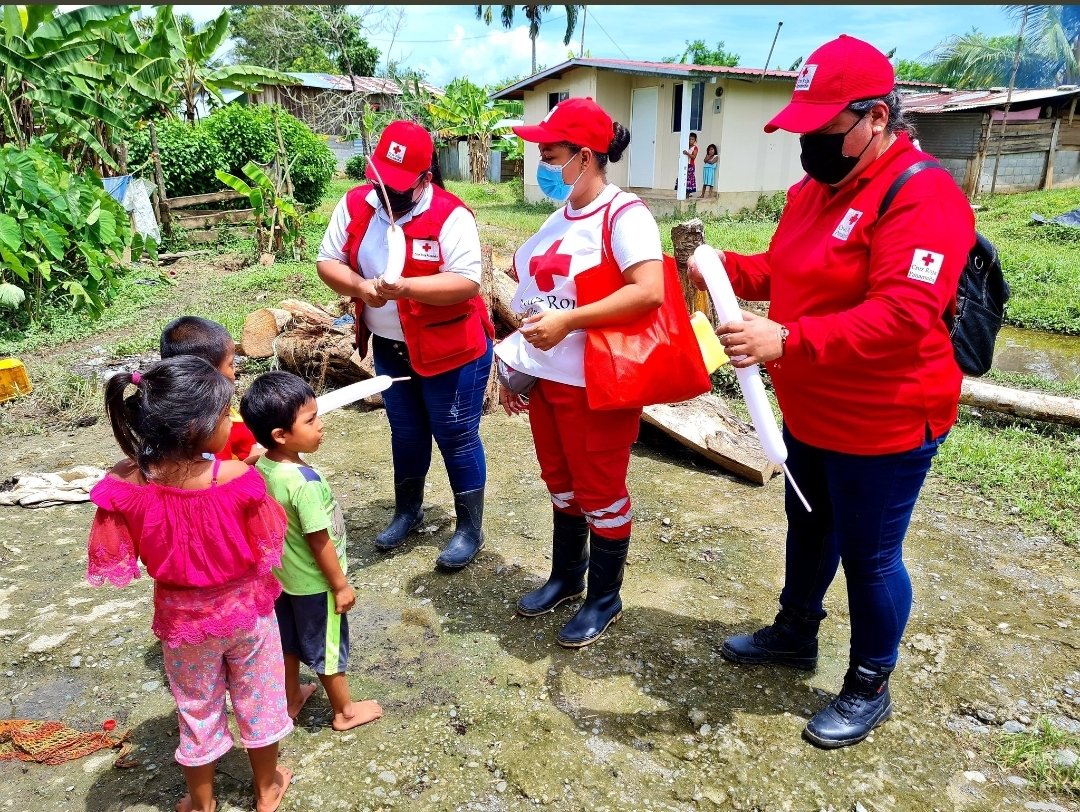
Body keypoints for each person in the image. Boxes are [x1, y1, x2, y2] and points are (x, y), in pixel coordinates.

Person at [688, 34, 977, 749]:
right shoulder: (815, 190)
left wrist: (789, 340)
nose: (808, 144)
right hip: (811, 411)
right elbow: (788, 271)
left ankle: (870, 681)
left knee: (871, 555)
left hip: (884, 419)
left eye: (822, 130)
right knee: (809, 522)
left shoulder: (923, 195)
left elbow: (906, 314)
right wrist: (729, 268)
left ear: (876, 118)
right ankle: (795, 632)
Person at [496, 96, 667, 648]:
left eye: (551, 153)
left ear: (585, 156)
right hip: (548, 380)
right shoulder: (561, 213)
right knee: (561, 484)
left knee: (600, 490)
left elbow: (649, 292)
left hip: (598, 384)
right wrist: (516, 369)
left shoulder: (625, 216)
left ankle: (604, 596)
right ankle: (567, 575)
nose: (542, 163)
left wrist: (570, 321)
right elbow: (532, 290)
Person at [87, 355, 293, 812]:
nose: (231, 421)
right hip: (247, 612)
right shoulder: (236, 477)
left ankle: (202, 803)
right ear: (197, 425)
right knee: (258, 698)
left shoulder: (126, 482)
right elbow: (267, 544)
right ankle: (266, 790)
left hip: (182, 620)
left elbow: (117, 550)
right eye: (225, 414)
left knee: (196, 708)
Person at [316, 120, 493, 571]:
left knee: (455, 434)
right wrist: (359, 284)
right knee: (407, 431)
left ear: (424, 179)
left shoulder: (450, 215)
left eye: (398, 186)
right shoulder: (357, 205)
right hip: (393, 347)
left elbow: (467, 282)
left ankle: (469, 528)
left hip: (453, 351)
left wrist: (408, 289)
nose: (385, 193)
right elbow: (326, 260)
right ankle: (407, 512)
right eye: (380, 181)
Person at [240, 370, 384, 732]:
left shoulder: (264, 465)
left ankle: (290, 698)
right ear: (280, 435)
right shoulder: (304, 483)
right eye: (311, 419)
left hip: (282, 579)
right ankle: (345, 712)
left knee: (287, 642)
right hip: (315, 584)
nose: (321, 424)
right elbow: (319, 539)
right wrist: (339, 585)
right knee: (328, 647)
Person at [160, 315, 261, 463]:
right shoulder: (208, 425)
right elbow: (217, 475)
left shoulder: (170, 410)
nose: (235, 371)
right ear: (209, 373)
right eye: (231, 364)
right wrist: (257, 457)